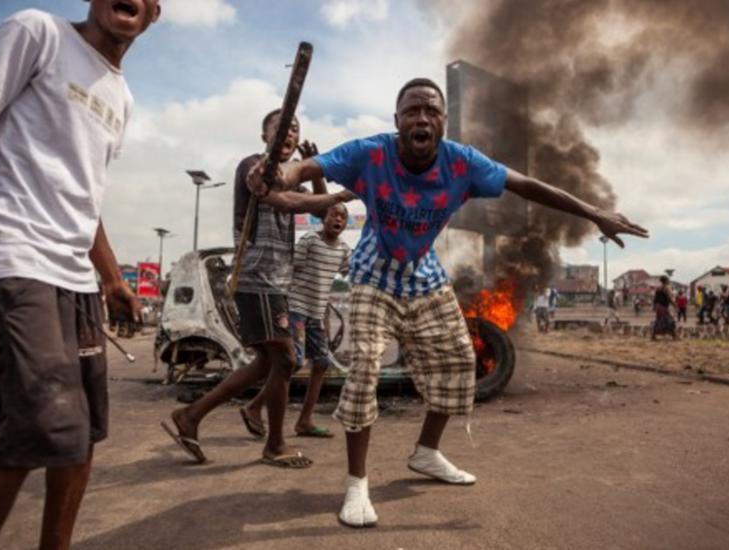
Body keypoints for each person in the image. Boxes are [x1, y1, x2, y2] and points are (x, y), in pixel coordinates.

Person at [248, 77, 648, 527]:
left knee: (460, 362)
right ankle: (357, 483)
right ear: (397, 120)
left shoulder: (463, 163)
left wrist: (595, 213)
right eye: (411, 111)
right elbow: (299, 172)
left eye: (431, 111)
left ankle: (426, 452)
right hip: (374, 273)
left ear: (443, 121)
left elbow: (529, 185)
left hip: (423, 273)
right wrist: (271, 175)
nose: (421, 118)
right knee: (364, 368)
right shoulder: (371, 153)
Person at [0, 2, 160, 548]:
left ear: (153, 14)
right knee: (41, 423)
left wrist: (113, 278)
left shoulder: (121, 96)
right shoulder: (38, 32)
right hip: (8, 251)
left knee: (84, 432)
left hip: (74, 277)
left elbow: (82, 194)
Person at [162, 110, 354, 467]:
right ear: (264, 135)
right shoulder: (254, 167)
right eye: (280, 127)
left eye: (295, 129)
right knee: (285, 359)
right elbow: (288, 202)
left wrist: (317, 173)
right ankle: (274, 444)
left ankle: (195, 415)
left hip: (277, 280)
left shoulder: (291, 173)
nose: (289, 133)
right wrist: (344, 193)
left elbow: (315, 212)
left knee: (271, 360)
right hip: (258, 275)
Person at [240, 203, 352, 439]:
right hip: (296, 308)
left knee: (321, 363)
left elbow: (351, 271)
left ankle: (304, 421)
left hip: (317, 313)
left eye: (342, 217)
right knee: (293, 362)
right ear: (324, 218)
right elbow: (290, 268)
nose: (338, 219)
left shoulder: (343, 249)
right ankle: (254, 406)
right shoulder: (309, 240)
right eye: (333, 214)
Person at [651, 276, 677, 340]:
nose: (669, 281)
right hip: (663, 306)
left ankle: (653, 335)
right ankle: (674, 336)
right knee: (668, 320)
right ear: (666, 281)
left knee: (660, 321)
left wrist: (654, 306)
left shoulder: (658, 288)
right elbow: (669, 298)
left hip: (658, 306)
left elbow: (655, 298)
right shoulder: (666, 288)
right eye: (668, 280)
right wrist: (674, 304)